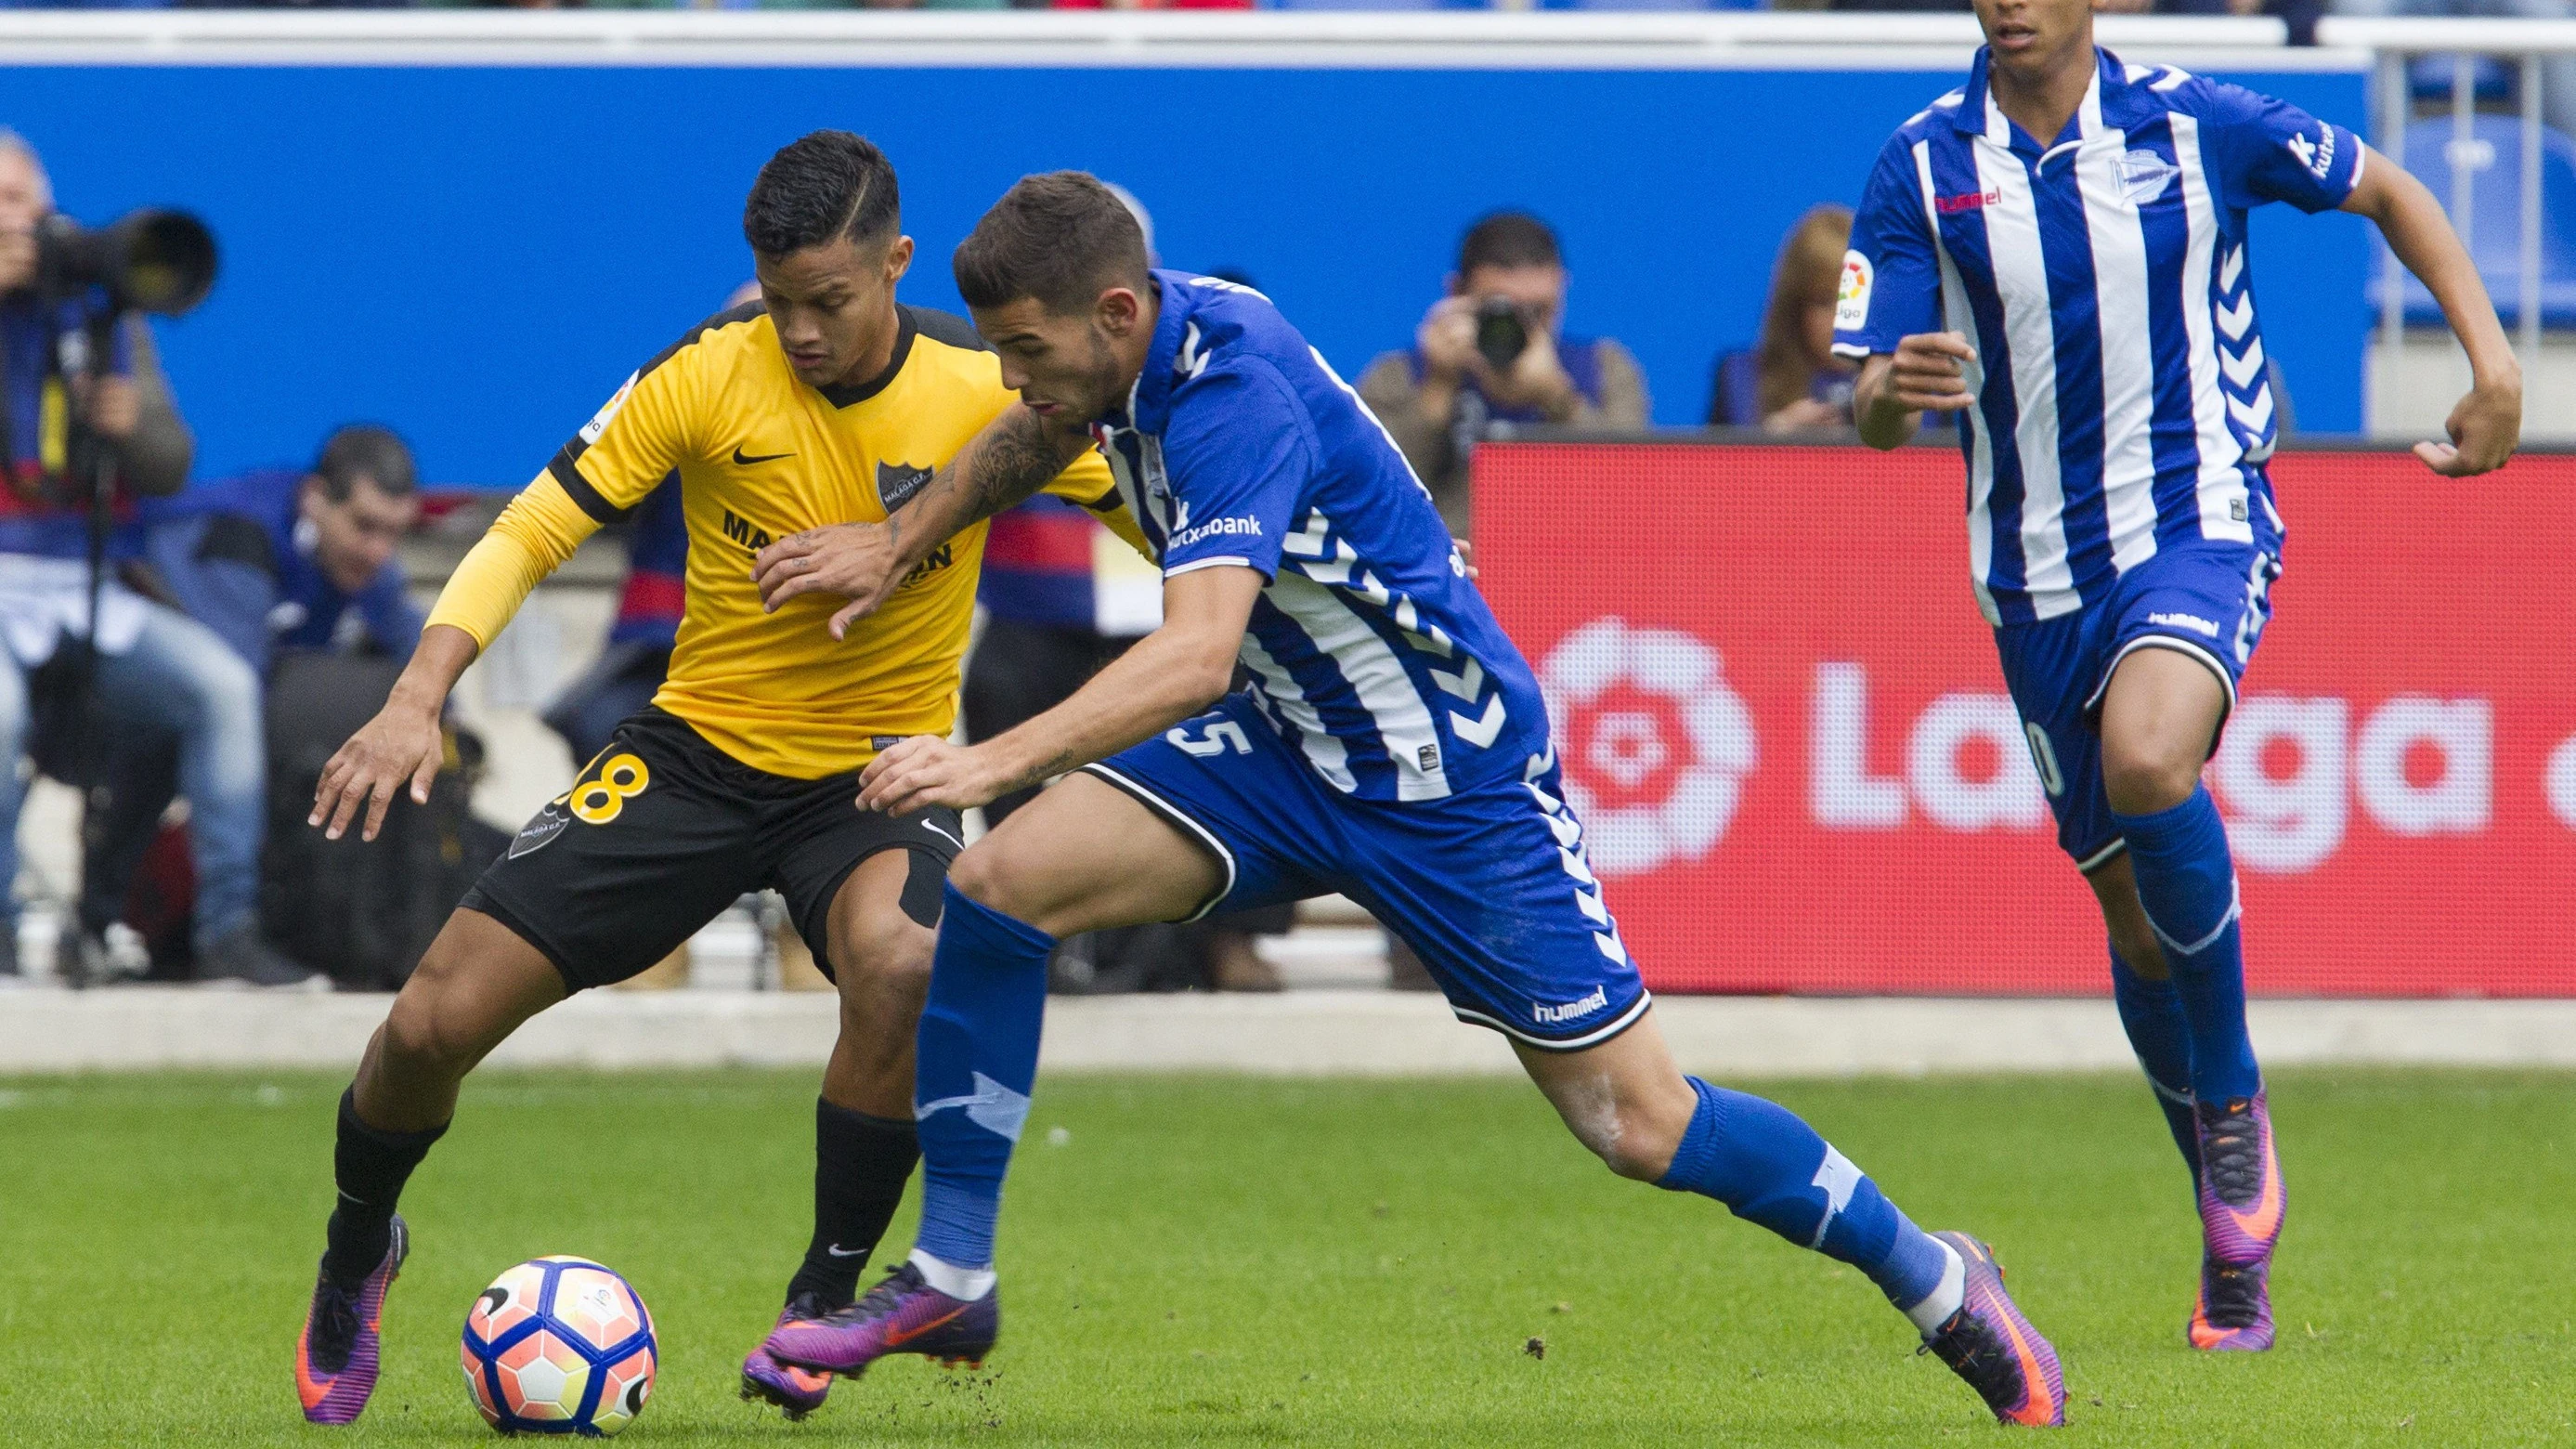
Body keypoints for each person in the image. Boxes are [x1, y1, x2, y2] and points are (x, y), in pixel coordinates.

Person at [746, 173, 2069, 1429]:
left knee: (1638, 1124)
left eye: (1025, 348)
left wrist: (988, 761)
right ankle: (955, 1284)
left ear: (1114, 312)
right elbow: (1036, 432)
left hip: (1449, 782)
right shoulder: (1131, 342)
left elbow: (1196, 654)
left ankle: (1940, 1280)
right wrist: (900, 537)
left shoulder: (1230, 395)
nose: (1013, 380)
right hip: (1286, 748)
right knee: (999, 888)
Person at [287, 131, 1138, 1428]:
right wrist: (418, 695)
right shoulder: (707, 370)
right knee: (427, 1028)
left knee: (908, 967)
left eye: (828, 303)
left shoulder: (987, 392)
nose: (795, 331)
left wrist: (1361, 557)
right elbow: (534, 525)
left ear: (895, 264)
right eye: (776, 298)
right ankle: (357, 1254)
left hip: (879, 778)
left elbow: (1179, 518)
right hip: (690, 756)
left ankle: (825, 1291)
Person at [1837, 0, 2518, 1353]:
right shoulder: (1918, 165)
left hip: (2197, 521)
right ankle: (2229, 1253)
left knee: (2153, 761)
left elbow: (2388, 187)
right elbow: (1864, 408)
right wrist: (1891, 393)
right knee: (2135, 930)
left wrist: (2494, 365)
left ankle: (2233, 1108)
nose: (2006, 5)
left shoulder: (2195, 121)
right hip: (2029, 580)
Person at [0, 129, 308, 990]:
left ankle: (228, 930)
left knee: (220, 688)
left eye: (24, 201)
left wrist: (133, 425)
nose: (15, 223)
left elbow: (172, 463)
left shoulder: (98, 310)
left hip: (92, 577)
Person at [65, 425, 425, 983]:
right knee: (218, 718)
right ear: (314, 500)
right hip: (89, 688)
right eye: (366, 527)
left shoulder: (364, 561)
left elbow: (414, 651)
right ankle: (193, 927)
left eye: (394, 534)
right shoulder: (237, 537)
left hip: (189, 709)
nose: (379, 551)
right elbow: (235, 698)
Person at [1357, 212, 1647, 535]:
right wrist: (1438, 388)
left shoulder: (1604, 369)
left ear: (1562, 287)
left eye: (1538, 311)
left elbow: (1633, 494)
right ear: (1457, 293)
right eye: (1502, 309)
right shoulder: (1400, 376)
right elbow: (1365, 496)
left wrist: (1556, 397)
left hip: (1572, 567)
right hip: (1451, 573)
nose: (1522, 328)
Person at [1708, 205, 1860, 434]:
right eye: (1824, 302)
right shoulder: (1741, 381)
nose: (1841, 319)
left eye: (1853, 299)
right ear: (1793, 307)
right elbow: (1708, 468)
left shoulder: (1918, 389)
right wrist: (1774, 438)